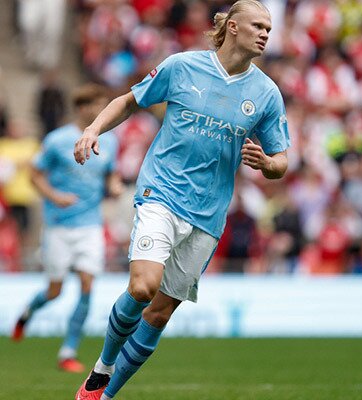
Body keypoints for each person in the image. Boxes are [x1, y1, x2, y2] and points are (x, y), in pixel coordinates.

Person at [73, 1, 290, 399]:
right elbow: (129, 100)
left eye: (269, 29)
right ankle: (102, 366)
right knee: (143, 288)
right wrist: (93, 128)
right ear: (233, 27)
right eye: (258, 25)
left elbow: (282, 161)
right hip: (162, 193)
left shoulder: (266, 94)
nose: (265, 34)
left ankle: (104, 397)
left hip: (208, 216)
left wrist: (267, 163)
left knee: (158, 313)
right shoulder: (182, 66)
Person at [11, 84, 122, 373]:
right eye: (97, 105)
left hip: (90, 226)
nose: (101, 111)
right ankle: (26, 313)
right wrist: (55, 197)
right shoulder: (58, 140)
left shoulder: (109, 141)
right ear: (82, 107)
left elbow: (111, 174)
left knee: (87, 285)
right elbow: (35, 174)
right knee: (55, 290)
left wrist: (114, 185)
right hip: (59, 227)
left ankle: (68, 351)